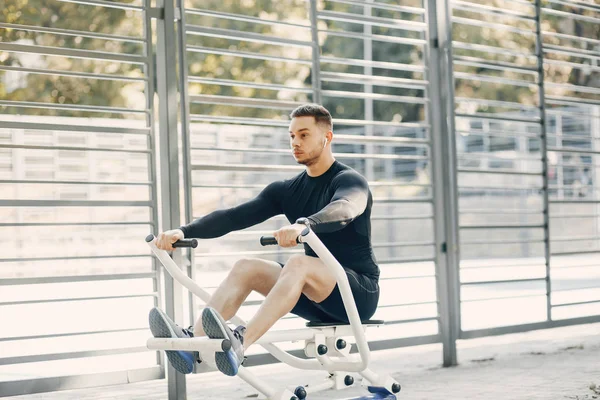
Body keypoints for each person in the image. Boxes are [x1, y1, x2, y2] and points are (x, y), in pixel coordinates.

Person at [149, 104, 380, 377]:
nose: (295, 142)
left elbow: (345, 208)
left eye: (304, 135)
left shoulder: (350, 180)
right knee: (247, 267)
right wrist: (184, 231)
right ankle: (192, 344)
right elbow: (234, 217)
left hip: (356, 293)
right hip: (315, 295)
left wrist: (306, 224)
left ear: (327, 137)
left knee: (299, 263)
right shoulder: (286, 190)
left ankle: (239, 343)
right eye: (292, 135)